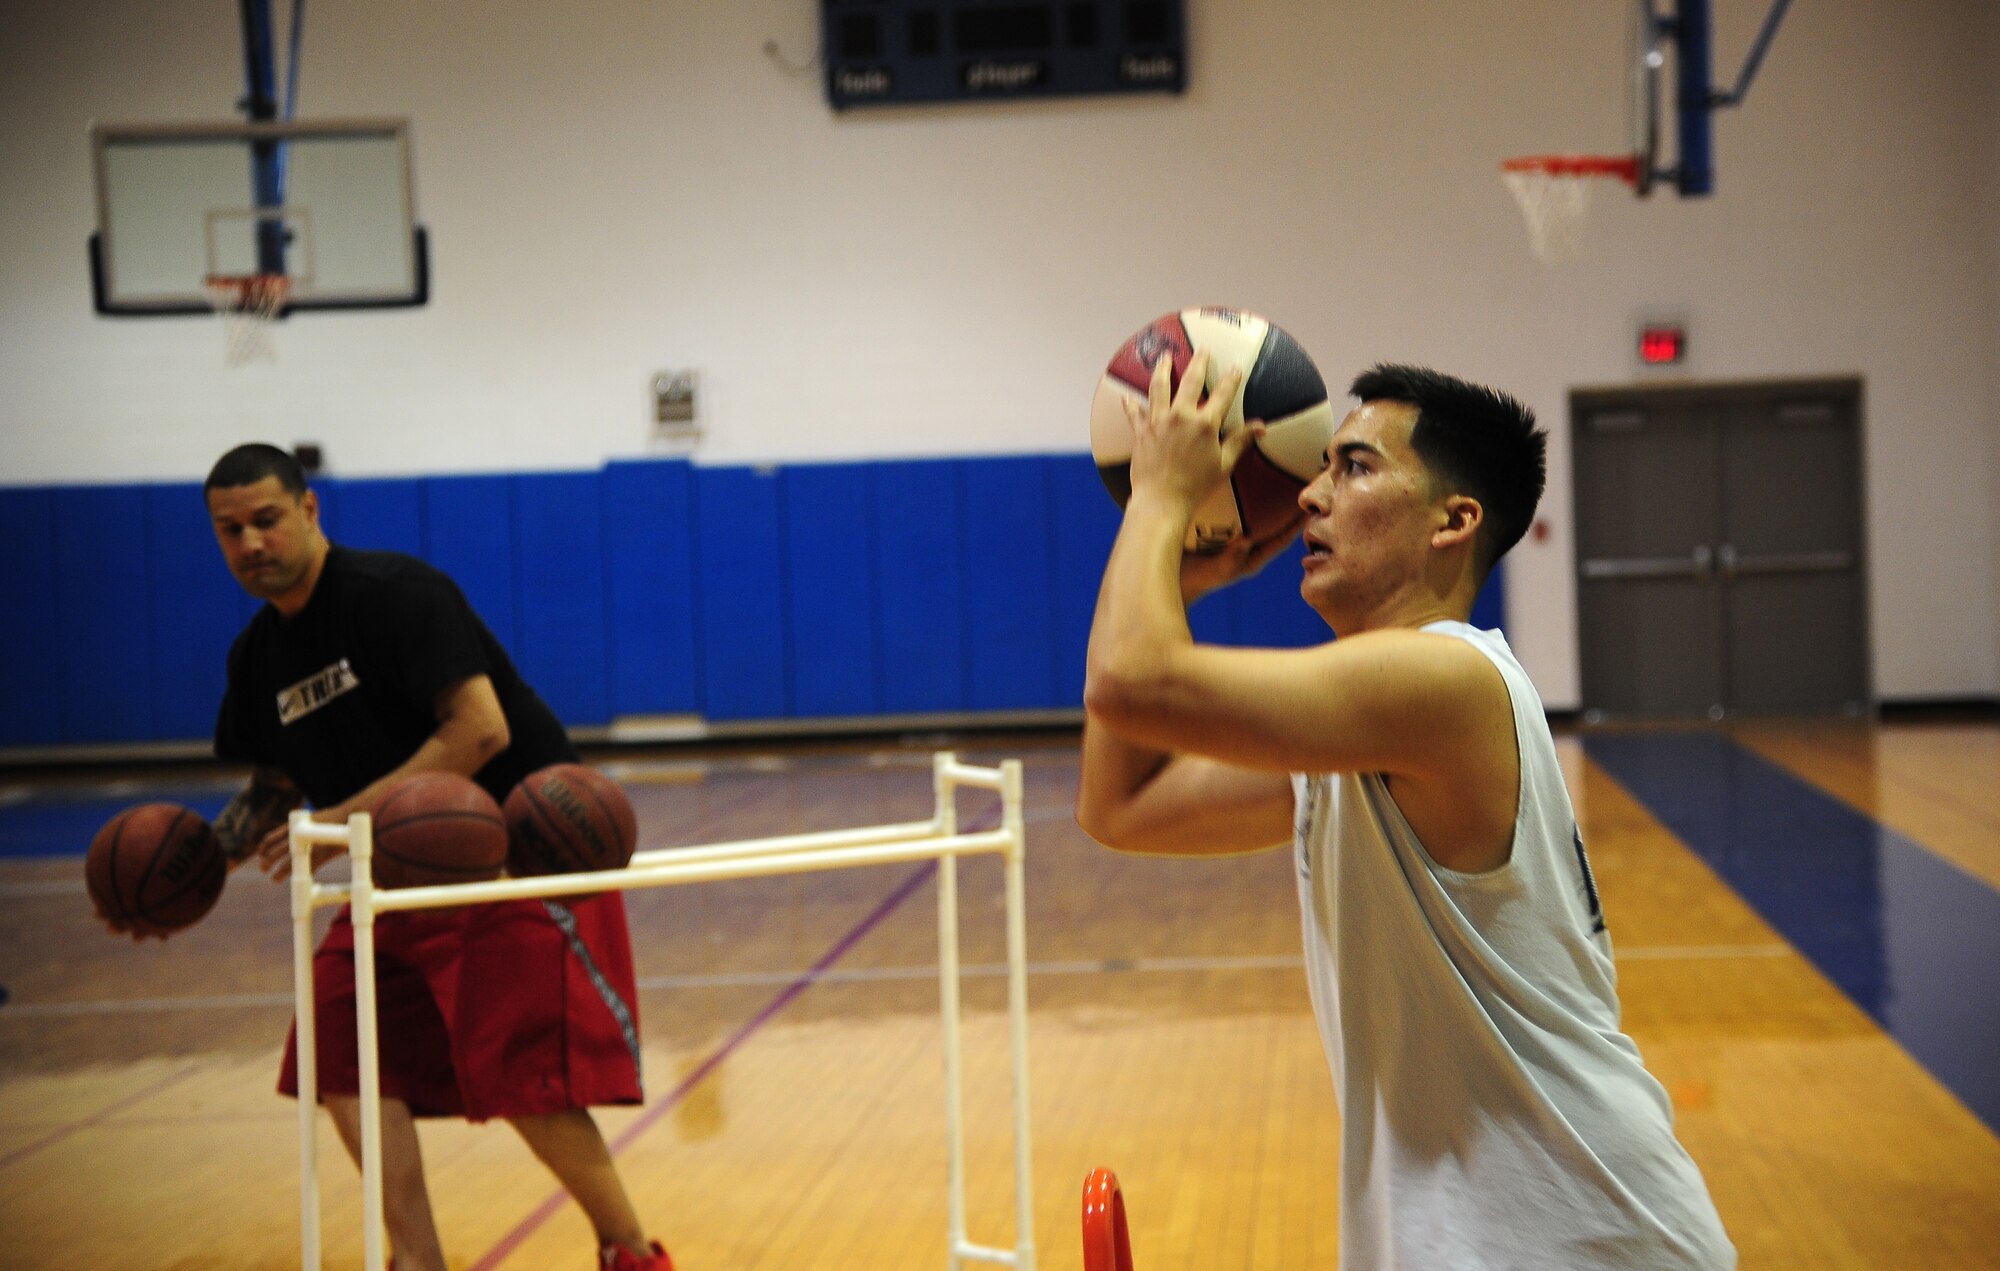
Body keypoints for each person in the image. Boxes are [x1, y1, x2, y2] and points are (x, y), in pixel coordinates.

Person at [1076, 357, 1734, 1269]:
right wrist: (1181, 580)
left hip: (1577, 1236)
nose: (1310, 495)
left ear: (1453, 522)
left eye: (1352, 467)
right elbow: (1122, 803)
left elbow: (1128, 681)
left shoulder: (1446, 677)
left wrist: (1161, 496)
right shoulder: (1359, 731)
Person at [168, 443, 669, 1271]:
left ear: (308, 511)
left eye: (265, 519)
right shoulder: (255, 659)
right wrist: (191, 866)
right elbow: (273, 786)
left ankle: (629, 1253)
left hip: (510, 856)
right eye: (230, 530)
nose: (251, 542)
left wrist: (340, 819)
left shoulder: (397, 595)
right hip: (393, 878)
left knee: (520, 1078)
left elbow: (480, 729)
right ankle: (417, 1261)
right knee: (341, 1050)